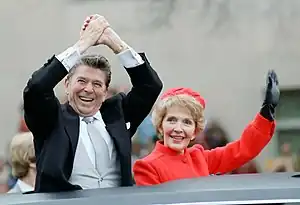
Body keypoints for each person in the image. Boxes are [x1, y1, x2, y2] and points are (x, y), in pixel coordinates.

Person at [23, 14, 162, 193]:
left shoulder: (117, 114)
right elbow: (36, 87)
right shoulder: (52, 119)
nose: (88, 89)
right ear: (66, 85)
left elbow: (150, 86)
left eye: (97, 84)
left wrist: (114, 42)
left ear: (105, 92)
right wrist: (82, 44)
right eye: (82, 81)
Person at [133, 70, 279, 186]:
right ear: (160, 125)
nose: (178, 128)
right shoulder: (147, 167)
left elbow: (243, 150)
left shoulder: (199, 158)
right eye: (172, 120)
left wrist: (265, 114)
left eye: (187, 122)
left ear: (194, 132)